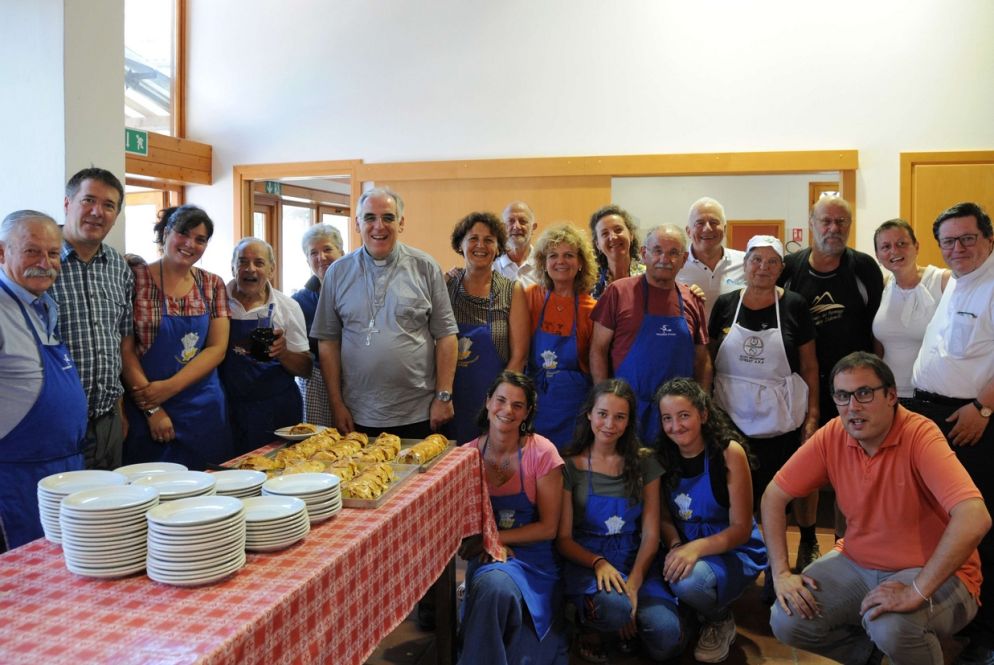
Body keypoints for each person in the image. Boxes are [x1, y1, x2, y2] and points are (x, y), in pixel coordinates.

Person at [765, 352, 990, 665]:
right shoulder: (833, 434)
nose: (853, 406)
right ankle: (874, 658)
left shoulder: (919, 434)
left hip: (936, 573)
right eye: (843, 396)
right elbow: (774, 495)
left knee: (890, 626)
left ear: (892, 396)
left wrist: (916, 590)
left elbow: (975, 516)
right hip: (857, 561)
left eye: (865, 393)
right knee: (787, 618)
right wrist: (780, 573)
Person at [909, 202, 994, 665]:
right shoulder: (956, 282)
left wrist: (983, 406)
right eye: (949, 241)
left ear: (988, 239)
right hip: (938, 417)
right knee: (945, 523)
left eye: (967, 238)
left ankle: (988, 635)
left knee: (981, 522)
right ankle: (956, 614)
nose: (957, 248)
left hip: (972, 422)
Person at [778, 195, 883, 561]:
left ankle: (845, 542)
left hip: (853, 392)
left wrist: (876, 391)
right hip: (801, 389)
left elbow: (878, 331)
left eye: (842, 222)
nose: (833, 228)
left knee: (851, 471)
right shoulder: (789, 268)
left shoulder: (864, 268)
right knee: (807, 468)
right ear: (811, 222)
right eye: (826, 221)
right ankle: (807, 538)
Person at [708, 235, 819, 574]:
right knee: (736, 496)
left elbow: (810, 366)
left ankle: (776, 567)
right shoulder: (726, 303)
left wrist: (812, 415)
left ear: (781, 269)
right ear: (745, 265)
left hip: (779, 418)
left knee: (778, 496)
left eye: (772, 262)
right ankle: (743, 566)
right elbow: (710, 359)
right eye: (756, 260)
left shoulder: (795, 305)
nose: (763, 268)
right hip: (731, 418)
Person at [312, 187, 458, 438]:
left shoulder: (425, 267)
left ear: (401, 223)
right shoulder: (337, 273)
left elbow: (446, 336)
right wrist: (336, 404)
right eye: (370, 218)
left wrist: (443, 396)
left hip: (418, 412)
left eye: (388, 217)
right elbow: (328, 342)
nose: (379, 226)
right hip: (358, 413)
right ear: (357, 223)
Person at [557, 379, 683, 663]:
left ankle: (628, 625)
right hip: (590, 562)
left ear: (629, 422)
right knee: (615, 609)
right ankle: (591, 622)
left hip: (636, 558)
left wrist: (634, 584)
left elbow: (651, 534)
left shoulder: (645, 462)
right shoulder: (569, 465)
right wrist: (597, 563)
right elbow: (563, 539)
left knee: (666, 637)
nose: (609, 424)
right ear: (589, 413)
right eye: (602, 414)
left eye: (620, 417)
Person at [457, 371, 568, 665]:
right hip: (489, 558)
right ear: (487, 402)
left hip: (535, 560)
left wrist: (492, 539)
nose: (507, 410)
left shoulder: (542, 452)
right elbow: (459, 525)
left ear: (527, 412)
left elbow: (548, 528)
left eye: (518, 405)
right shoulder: (466, 456)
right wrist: (485, 546)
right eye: (501, 400)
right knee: (495, 587)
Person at [655, 378, 767, 664]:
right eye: (667, 418)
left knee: (688, 583)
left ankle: (719, 619)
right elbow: (665, 517)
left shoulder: (729, 453)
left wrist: (695, 550)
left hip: (731, 548)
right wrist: (677, 544)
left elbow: (741, 529)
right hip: (686, 546)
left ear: (703, 414)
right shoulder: (663, 457)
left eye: (684, 416)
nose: (675, 426)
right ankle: (696, 612)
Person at [121, 205, 233, 470]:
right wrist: (152, 408)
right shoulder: (134, 279)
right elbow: (125, 351)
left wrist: (168, 388)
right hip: (146, 405)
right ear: (166, 232)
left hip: (203, 410)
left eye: (200, 239)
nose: (190, 244)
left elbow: (217, 348)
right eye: (183, 233)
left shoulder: (212, 284)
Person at [0, 211, 87, 550]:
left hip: (65, 469)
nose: (45, 263)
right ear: (2, 252)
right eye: (32, 251)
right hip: (17, 480)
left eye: (53, 253)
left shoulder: (44, 305)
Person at [590, 224, 711, 445]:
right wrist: (604, 401)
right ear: (644, 254)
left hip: (678, 420)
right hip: (629, 413)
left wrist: (701, 406)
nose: (665, 259)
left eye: (673, 253)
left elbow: (702, 360)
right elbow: (598, 350)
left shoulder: (692, 300)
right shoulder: (618, 292)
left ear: (684, 259)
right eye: (657, 251)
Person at [51, 167, 134, 470]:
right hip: (53, 420)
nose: (97, 212)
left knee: (107, 512)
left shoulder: (118, 267)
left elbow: (120, 342)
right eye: (88, 200)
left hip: (108, 420)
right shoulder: (40, 262)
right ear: (67, 204)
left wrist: (120, 409)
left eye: (109, 205)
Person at [221, 237, 311, 454]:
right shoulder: (217, 303)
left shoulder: (288, 307)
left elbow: (306, 368)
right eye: (243, 262)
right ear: (233, 267)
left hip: (277, 409)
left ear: (271, 270)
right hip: (229, 408)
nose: (250, 269)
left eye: (259, 263)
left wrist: (283, 352)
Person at [445, 212, 529, 444]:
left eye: (489, 240)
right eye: (473, 239)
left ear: (498, 247)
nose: (480, 246)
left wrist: (501, 403)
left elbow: (519, 355)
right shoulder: (446, 286)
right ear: (460, 244)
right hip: (450, 400)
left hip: (494, 404)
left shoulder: (512, 290)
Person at [525, 223, 597, 449]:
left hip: (575, 406)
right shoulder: (530, 297)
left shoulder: (591, 308)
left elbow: (597, 364)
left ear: (581, 263)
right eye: (553, 255)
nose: (561, 261)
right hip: (537, 403)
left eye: (569, 255)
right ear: (543, 263)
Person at [871, 218, 950, 402]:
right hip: (889, 394)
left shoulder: (943, 281)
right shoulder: (883, 286)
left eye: (901, 243)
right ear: (877, 255)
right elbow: (879, 346)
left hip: (932, 396)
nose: (894, 251)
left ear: (916, 246)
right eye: (886, 246)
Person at [291, 224, 344, 426]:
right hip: (316, 384)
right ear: (307, 260)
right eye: (313, 253)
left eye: (328, 249)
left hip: (357, 382)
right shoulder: (299, 301)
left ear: (342, 253)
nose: (321, 257)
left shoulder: (360, 292)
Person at [677, 197, 746, 320]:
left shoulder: (745, 262)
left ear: (724, 229)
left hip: (734, 338)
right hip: (688, 338)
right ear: (688, 231)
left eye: (714, 222)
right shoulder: (675, 264)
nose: (707, 228)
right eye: (700, 223)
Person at [589, 205, 645, 300]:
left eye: (618, 230)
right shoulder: (590, 282)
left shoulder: (649, 277)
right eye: (605, 233)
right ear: (598, 244)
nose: (613, 237)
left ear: (631, 235)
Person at [493, 201, 540, 287]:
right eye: (511, 221)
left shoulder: (544, 264)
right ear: (502, 228)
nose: (516, 226)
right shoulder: (491, 266)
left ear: (533, 227)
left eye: (523, 221)